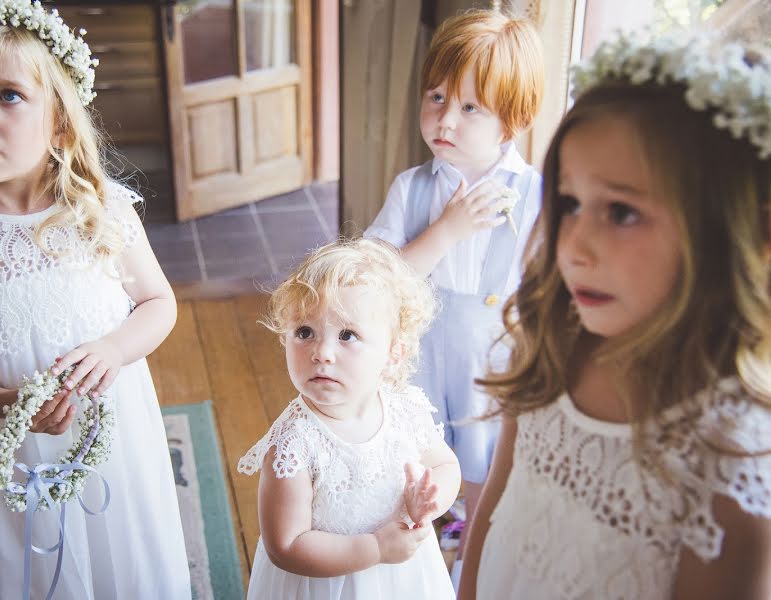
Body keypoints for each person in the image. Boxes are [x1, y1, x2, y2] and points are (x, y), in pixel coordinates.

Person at [0, 1, 191, 597]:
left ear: (58, 124)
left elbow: (159, 302)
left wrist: (112, 349)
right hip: (1, 451)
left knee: (118, 559)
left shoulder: (102, 213)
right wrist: (6, 403)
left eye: (9, 96)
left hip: (112, 440)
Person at [459, 29, 771, 599]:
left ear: (734, 234)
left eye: (622, 212)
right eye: (571, 203)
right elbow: (494, 510)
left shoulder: (730, 463)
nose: (574, 244)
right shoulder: (550, 344)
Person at [363, 9, 544, 584]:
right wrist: (445, 232)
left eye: (471, 107)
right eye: (436, 97)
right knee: (419, 450)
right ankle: (419, 545)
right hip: (418, 352)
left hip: (493, 355)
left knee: (482, 457)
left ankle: (476, 546)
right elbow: (375, 281)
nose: (446, 118)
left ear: (510, 122)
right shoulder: (412, 188)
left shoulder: (537, 194)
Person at [237, 238, 461, 599]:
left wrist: (431, 501)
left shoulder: (406, 409)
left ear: (392, 355)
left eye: (347, 335)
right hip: (326, 584)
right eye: (304, 332)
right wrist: (375, 549)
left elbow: (444, 465)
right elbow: (287, 545)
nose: (322, 353)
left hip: (403, 577)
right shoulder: (294, 444)